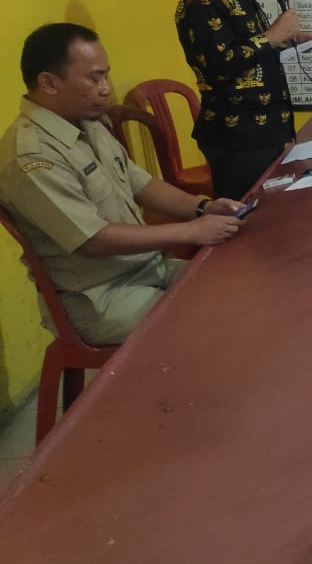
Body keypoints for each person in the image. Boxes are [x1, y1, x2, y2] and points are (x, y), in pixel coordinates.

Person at [0, 24, 246, 344]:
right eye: (94, 78)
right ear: (49, 82)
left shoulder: (85, 121)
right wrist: (191, 231)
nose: (106, 89)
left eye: (106, 76)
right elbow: (92, 239)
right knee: (215, 323)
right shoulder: (31, 155)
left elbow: (138, 181)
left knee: (240, 284)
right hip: (103, 298)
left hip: (149, 269)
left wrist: (203, 207)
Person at [175, 0, 312, 200]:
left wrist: (288, 41)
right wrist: (274, 34)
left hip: (267, 131)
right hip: (237, 137)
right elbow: (220, 65)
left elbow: (250, 50)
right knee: (250, 217)